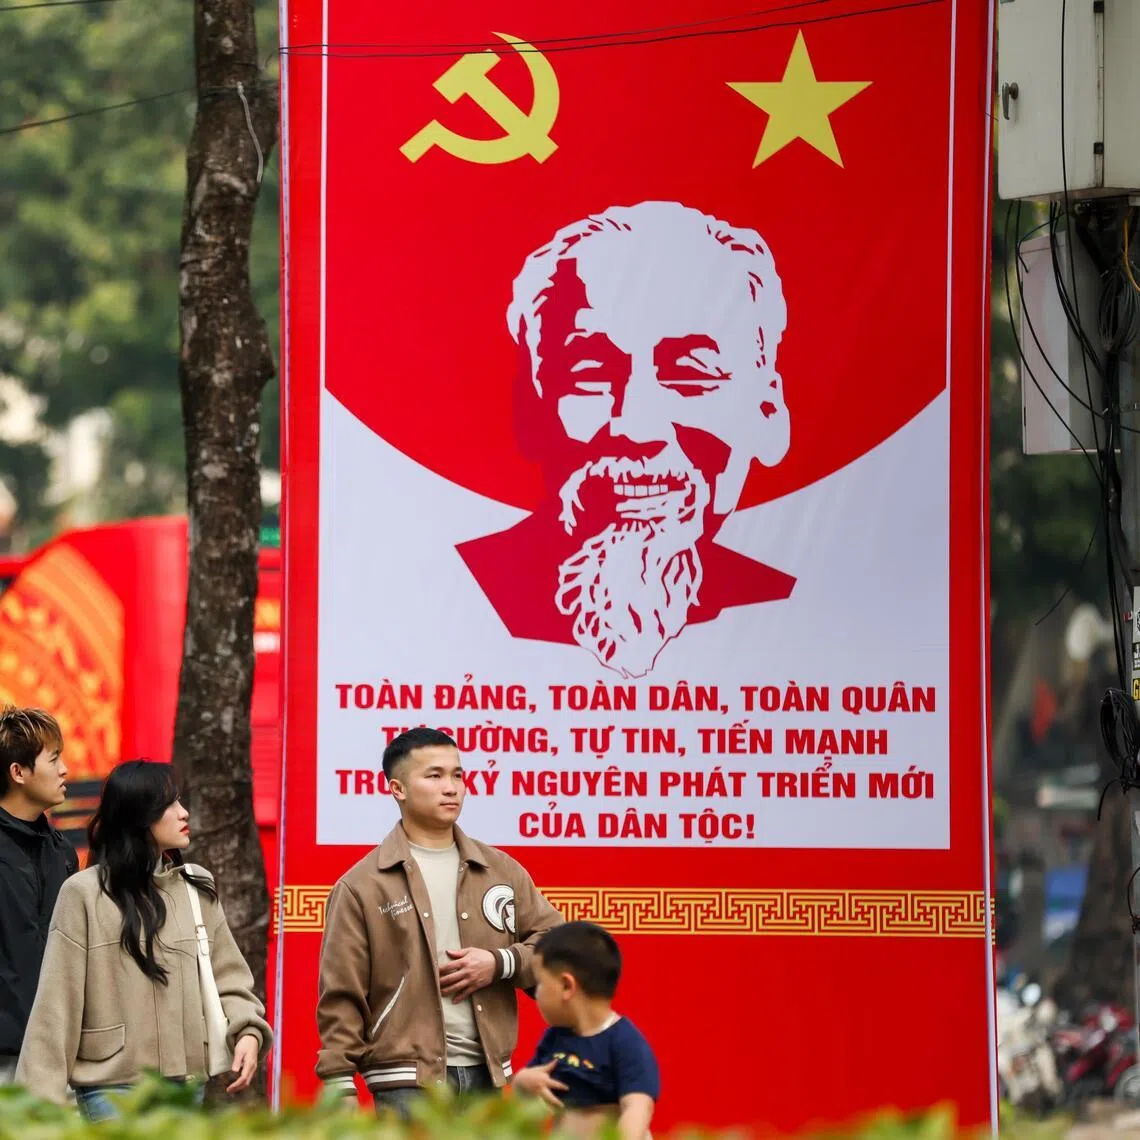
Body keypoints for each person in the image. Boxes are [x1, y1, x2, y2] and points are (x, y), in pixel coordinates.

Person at [459, 200, 796, 679]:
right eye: (592, 374)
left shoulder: (795, 607)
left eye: (691, 374)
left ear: (767, 413)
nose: (637, 428)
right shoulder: (455, 594)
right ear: (530, 410)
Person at [317, 726, 563, 1115]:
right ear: (397, 789)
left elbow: (559, 945)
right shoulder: (361, 885)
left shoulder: (499, 870)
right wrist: (339, 1081)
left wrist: (500, 963)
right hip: (404, 1083)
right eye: (434, 776)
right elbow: (341, 992)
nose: (451, 787)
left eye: (458, 775)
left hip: (487, 1075)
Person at [15, 760, 272, 1121]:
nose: (184, 813)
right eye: (170, 804)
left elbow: (230, 980)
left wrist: (248, 1031)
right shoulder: (83, 894)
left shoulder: (196, 888)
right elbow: (57, 1006)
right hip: (113, 1091)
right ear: (139, 814)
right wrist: (37, 1110)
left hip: (187, 1087)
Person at [512, 922, 659, 1140]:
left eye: (540, 983)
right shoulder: (555, 1038)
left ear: (566, 986)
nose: (537, 994)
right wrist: (522, 1081)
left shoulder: (623, 1041)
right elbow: (527, 1093)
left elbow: (638, 1107)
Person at [0, 706, 76, 1086]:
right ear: (18, 773)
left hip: (54, 1054)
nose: (64, 770)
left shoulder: (62, 853)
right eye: (54, 758)